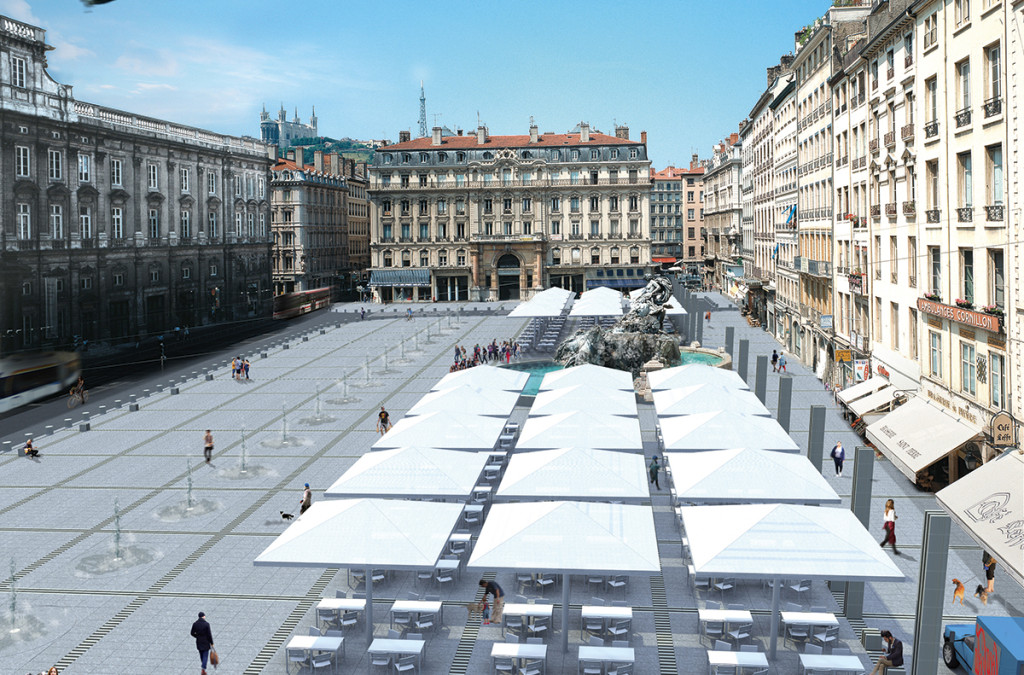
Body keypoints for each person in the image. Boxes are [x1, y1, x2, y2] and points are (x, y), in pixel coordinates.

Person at [190, 611, 214, 675]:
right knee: (205, 656)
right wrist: (211, 642)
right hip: (206, 641)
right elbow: (209, 634)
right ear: (203, 616)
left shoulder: (195, 624)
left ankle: (203, 668)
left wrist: (197, 636)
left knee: (201, 655)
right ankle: (203, 668)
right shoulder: (206, 624)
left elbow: (192, 633)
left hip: (199, 641)